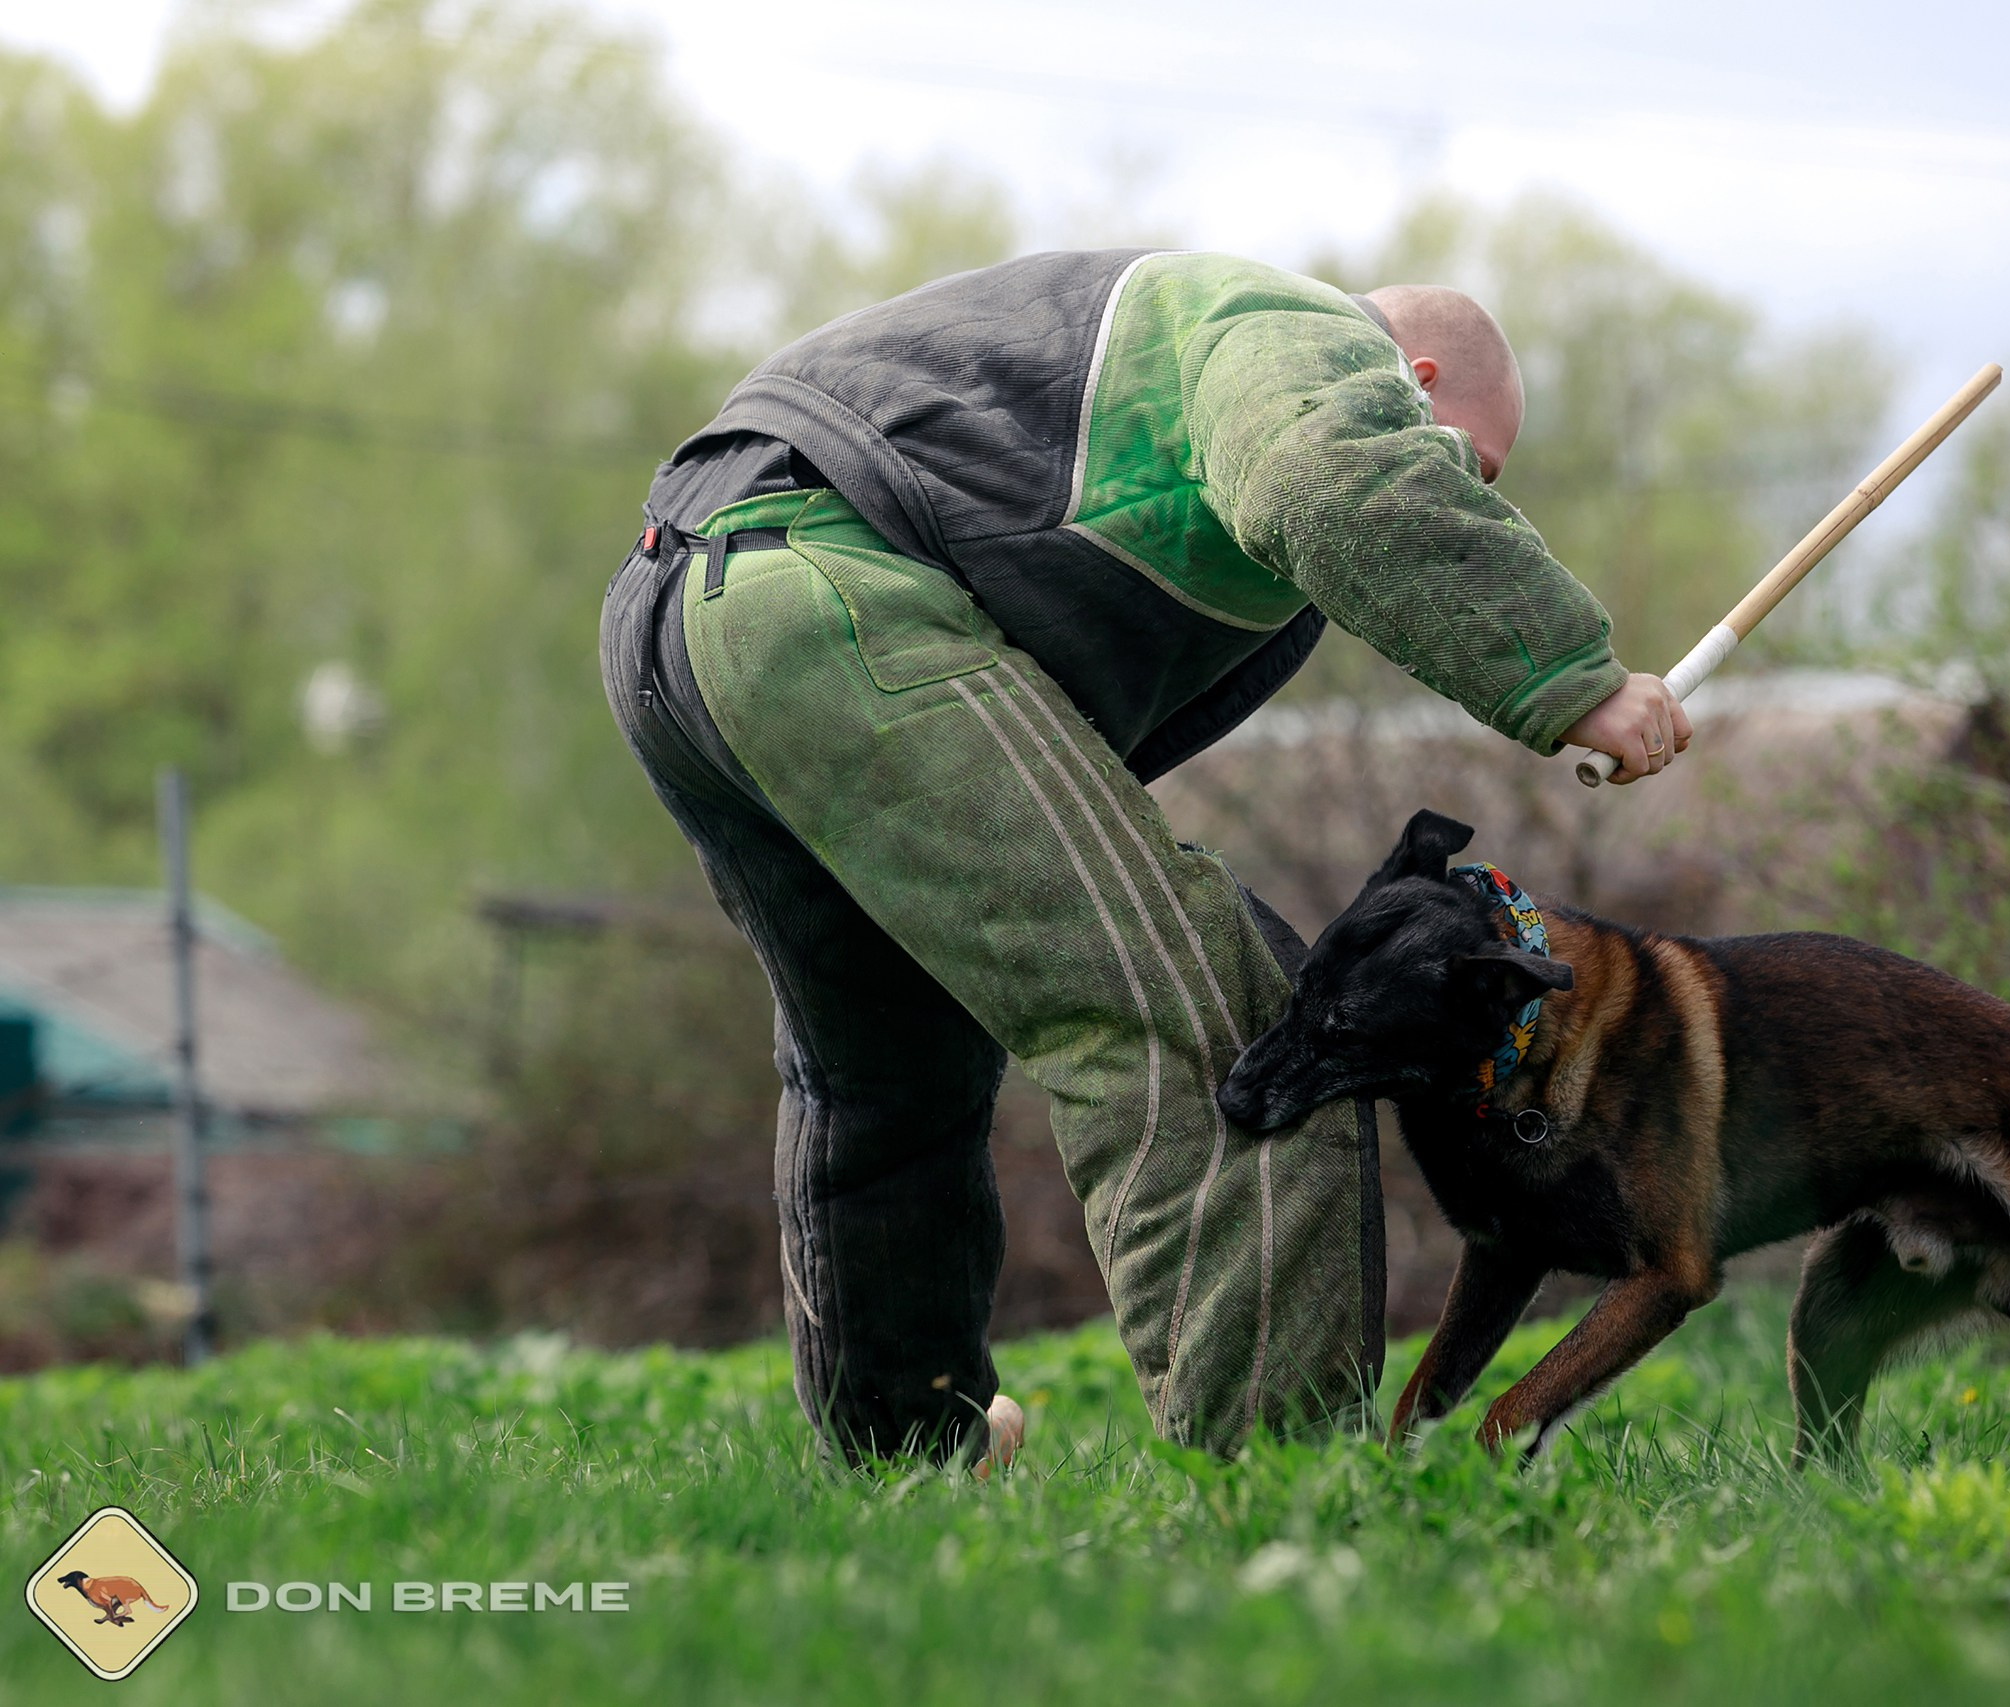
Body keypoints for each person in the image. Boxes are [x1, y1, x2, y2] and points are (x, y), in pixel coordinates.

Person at [600, 249, 1691, 1464]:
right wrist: (1569, 676)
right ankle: (1274, 1482)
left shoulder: (1181, 405)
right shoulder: (1297, 332)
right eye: (1469, 470)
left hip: (694, 610)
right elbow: (1331, 474)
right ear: (1413, 375)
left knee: (886, 1070)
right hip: (826, 595)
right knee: (1222, 1024)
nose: (1467, 501)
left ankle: (904, 1462)